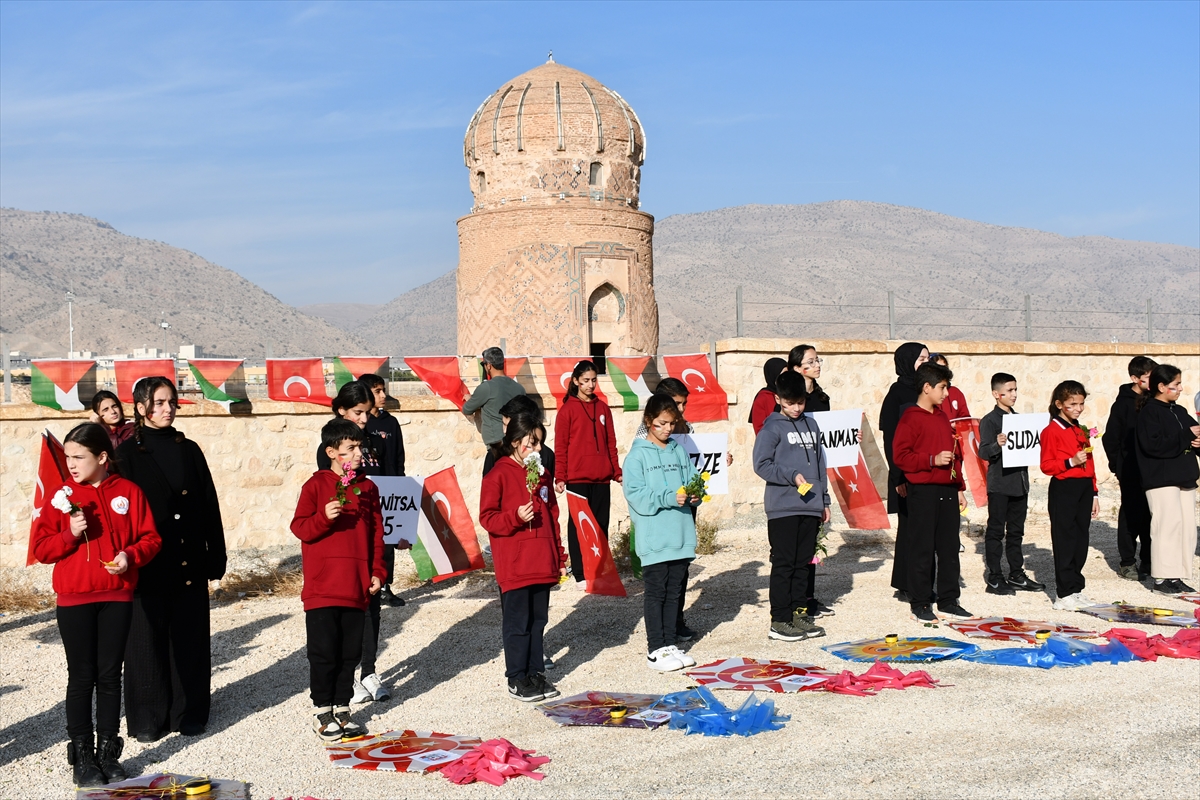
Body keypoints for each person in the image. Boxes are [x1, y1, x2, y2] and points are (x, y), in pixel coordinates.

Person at [32, 423, 161, 787]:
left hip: (116, 596)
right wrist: (69, 534)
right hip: (74, 600)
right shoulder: (61, 495)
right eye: (67, 456)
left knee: (108, 677)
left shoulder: (129, 492)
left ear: (102, 457)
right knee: (82, 676)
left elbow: (151, 538)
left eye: (79, 457)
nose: (71, 464)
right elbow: (42, 550)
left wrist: (129, 556)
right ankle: (83, 757)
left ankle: (108, 753)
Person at [117, 377, 225, 742]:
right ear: (141, 406)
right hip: (147, 561)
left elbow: (208, 504)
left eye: (171, 402)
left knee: (189, 636)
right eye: (158, 402)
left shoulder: (189, 449)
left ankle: (189, 712)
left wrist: (216, 552)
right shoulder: (126, 455)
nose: (167, 409)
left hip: (188, 557)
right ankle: (148, 717)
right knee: (145, 640)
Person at [291, 419, 386, 742]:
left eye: (360, 447)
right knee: (323, 651)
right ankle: (322, 710)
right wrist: (323, 518)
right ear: (332, 452)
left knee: (349, 652)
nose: (358, 453)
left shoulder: (368, 489)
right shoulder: (314, 486)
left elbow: (377, 535)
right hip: (322, 587)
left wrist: (378, 572)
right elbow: (300, 528)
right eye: (350, 449)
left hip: (355, 586)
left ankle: (343, 707)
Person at [313, 381, 394, 705]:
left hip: (377, 531)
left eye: (367, 413)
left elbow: (392, 478)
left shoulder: (371, 441)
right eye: (358, 413)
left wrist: (399, 524)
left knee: (373, 605)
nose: (364, 419)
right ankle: (351, 672)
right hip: (347, 543)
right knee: (349, 613)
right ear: (341, 412)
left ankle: (369, 669)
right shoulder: (332, 452)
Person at [478, 412, 565, 702]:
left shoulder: (542, 473)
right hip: (515, 564)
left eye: (540, 442)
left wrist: (559, 553)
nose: (539, 448)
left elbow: (552, 515)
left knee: (538, 620)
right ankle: (517, 677)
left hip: (542, 559)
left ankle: (535, 673)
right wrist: (514, 517)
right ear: (515, 442)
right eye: (533, 442)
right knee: (518, 622)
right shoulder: (498, 474)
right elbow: (488, 518)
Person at [623, 395, 700, 672]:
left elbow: (692, 479)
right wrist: (670, 497)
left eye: (671, 423)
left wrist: (695, 495)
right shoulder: (636, 456)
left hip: (680, 534)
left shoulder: (678, 450)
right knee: (657, 592)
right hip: (654, 537)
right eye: (661, 423)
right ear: (648, 422)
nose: (667, 428)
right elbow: (636, 495)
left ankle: (670, 644)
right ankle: (656, 649)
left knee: (675, 590)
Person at [752, 371, 830, 641]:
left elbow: (820, 465)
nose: (796, 408)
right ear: (778, 399)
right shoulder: (771, 428)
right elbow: (761, 464)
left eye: (800, 402)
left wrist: (824, 500)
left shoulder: (812, 426)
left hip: (810, 506)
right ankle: (780, 620)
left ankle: (800, 614)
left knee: (803, 563)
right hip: (783, 507)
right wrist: (790, 475)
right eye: (790, 403)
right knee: (784, 563)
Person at [892, 362, 971, 623]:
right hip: (923, 492)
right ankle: (921, 603)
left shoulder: (941, 417)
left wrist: (959, 486)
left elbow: (954, 455)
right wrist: (931, 460)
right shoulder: (910, 418)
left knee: (949, 549)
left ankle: (949, 600)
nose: (946, 393)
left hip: (946, 490)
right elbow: (901, 456)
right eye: (942, 387)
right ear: (927, 388)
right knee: (922, 549)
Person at [553, 360, 621, 586]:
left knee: (601, 523)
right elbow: (560, 446)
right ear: (575, 382)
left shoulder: (603, 408)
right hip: (577, 478)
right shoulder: (567, 411)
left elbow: (611, 442)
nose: (591, 385)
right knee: (578, 524)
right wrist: (560, 476)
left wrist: (616, 470)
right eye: (585, 381)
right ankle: (581, 572)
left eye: (593, 380)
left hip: (602, 477)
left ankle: (600, 567)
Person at [977, 373, 1044, 595]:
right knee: (996, 531)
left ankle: (1016, 574)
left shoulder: (1019, 420)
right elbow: (984, 452)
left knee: (1016, 532)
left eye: (1016, 390)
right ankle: (995, 576)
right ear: (997, 394)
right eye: (1010, 390)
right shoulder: (990, 420)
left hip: (1020, 484)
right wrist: (997, 444)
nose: (1014, 394)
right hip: (1000, 485)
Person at [1135, 364, 1200, 595]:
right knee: (1167, 527)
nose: (1181, 389)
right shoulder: (1149, 412)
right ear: (1161, 387)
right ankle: (1162, 579)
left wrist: (1197, 442)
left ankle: (1177, 575)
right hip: (1162, 480)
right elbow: (1153, 445)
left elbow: (1192, 434)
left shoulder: (1179, 411)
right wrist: (1186, 436)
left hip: (1185, 477)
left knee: (1186, 529)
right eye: (1176, 385)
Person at [1040, 380, 1100, 611]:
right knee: (1065, 540)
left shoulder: (1079, 429)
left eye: (1081, 403)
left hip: (1084, 487)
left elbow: (1090, 462)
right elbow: (1046, 465)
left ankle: (1076, 587)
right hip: (1064, 488)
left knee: (1080, 539)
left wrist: (1094, 492)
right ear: (1059, 404)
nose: (1078, 408)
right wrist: (1070, 461)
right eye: (1072, 404)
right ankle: (1063, 593)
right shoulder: (1050, 431)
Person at [879, 341, 929, 601]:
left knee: (923, 529)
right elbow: (892, 440)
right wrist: (898, 476)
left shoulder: (927, 392)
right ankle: (907, 583)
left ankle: (918, 580)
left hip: (927, 472)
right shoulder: (897, 394)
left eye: (927, 358)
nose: (925, 363)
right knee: (909, 529)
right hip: (906, 474)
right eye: (921, 359)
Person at [1101, 356, 1158, 580]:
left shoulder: (1155, 400)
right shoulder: (1123, 404)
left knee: (1151, 515)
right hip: (1131, 470)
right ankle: (1127, 562)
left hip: (1152, 470)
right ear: (1135, 378)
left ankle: (1148, 560)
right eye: (1147, 378)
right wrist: (1118, 466)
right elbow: (1111, 439)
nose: (1152, 383)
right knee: (1131, 515)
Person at [358, 373, 407, 608]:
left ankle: (386, 586)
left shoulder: (391, 423)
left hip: (390, 488)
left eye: (383, 390)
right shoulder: (362, 424)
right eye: (377, 391)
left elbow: (399, 458)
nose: (383, 395)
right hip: (367, 489)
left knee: (388, 539)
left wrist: (400, 485)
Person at [462, 347, 526, 454]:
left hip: (496, 444)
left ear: (488, 366)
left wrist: (470, 399)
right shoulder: (519, 388)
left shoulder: (487, 387)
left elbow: (467, 409)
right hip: (516, 442)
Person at [482, 394, 556, 480]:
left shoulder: (547, 456)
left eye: (509, 426)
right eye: (504, 424)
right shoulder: (495, 454)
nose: (505, 431)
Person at [749, 357, 788, 435]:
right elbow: (760, 429)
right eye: (782, 375)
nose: (786, 378)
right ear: (774, 375)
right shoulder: (763, 398)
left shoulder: (790, 393)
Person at [787, 344, 830, 412]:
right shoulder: (789, 398)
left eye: (817, 360)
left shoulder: (822, 398)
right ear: (797, 368)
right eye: (810, 362)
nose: (817, 365)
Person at [929, 353, 971, 419]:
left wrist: (957, 425)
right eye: (939, 369)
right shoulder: (929, 392)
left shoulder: (955, 392)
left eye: (945, 368)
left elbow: (965, 417)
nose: (943, 372)